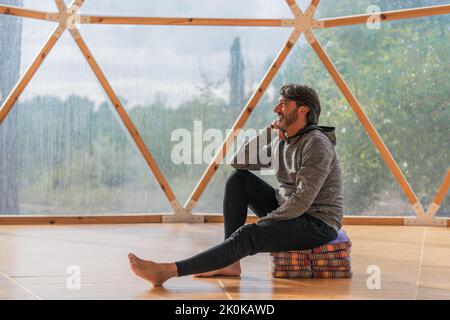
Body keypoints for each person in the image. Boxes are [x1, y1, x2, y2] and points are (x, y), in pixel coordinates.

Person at [128, 83, 344, 286]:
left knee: (248, 235)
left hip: (317, 222)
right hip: (291, 209)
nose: (276, 108)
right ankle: (230, 263)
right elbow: (239, 162)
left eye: (284, 104)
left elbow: (302, 201)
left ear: (303, 110)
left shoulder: (316, 143)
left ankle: (167, 271)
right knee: (238, 180)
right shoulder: (283, 139)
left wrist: (265, 225)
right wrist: (268, 133)